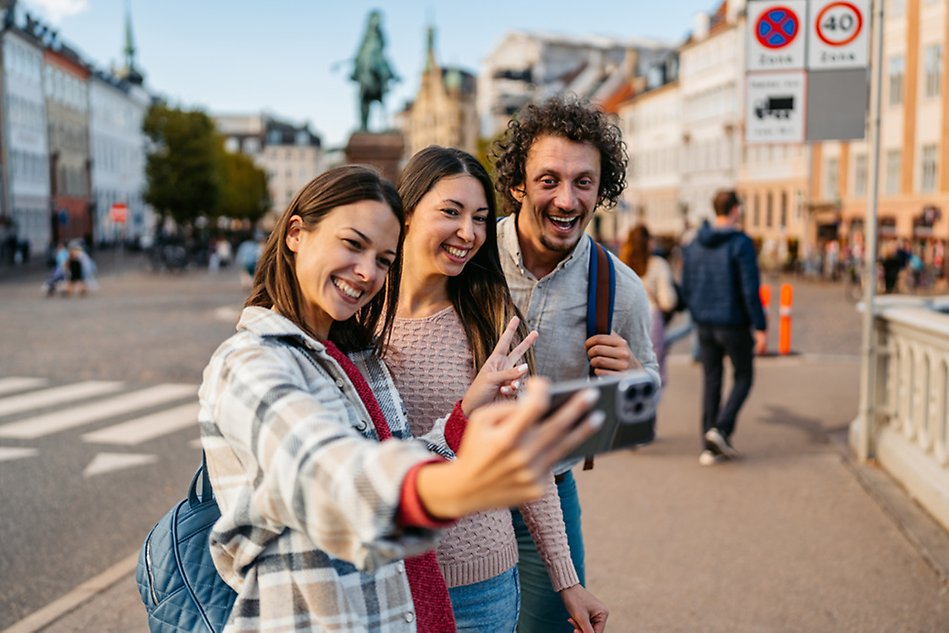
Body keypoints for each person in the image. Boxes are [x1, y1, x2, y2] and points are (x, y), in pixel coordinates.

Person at [198, 165, 602, 632]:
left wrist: (466, 415)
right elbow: (323, 470)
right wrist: (455, 487)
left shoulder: (352, 355)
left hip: (403, 600)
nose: (366, 271)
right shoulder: (252, 361)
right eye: (352, 244)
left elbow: (394, 453)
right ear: (295, 234)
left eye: (383, 258)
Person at [387, 146, 608, 633]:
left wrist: (565, 580)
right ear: (406, 214)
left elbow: (528, 456)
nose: (469, 233)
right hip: (382, 581)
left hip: (479, 583)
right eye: (451, 212)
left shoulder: (488, 319)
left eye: (481, 218)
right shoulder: (359, 317)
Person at [492, 95, 658, 632]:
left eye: (584, 182)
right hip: (459, 481)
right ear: (518, 184)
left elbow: (643, 405)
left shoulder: (621, 288)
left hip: (552, 489)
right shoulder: (471, 255)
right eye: (549, 180)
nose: (567, 199)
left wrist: (633, 380)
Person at [680, 190, 767, 466]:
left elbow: (687, 284)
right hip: (734, 323)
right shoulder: (741, 244)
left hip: (705, 323)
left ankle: (708, 445)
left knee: (711, 380)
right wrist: (761, 326)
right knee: (744, 376)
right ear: (735, 210)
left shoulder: (695, 244)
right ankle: (722, 428)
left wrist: (697, 311)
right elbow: (750, 289)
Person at [619, 224, 678, 384]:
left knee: (627, 369)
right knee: (652, 372)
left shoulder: (621, 265)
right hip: (651, 318)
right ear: (648, 242)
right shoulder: (657, 265)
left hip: (625, 320)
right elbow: (668, 301)